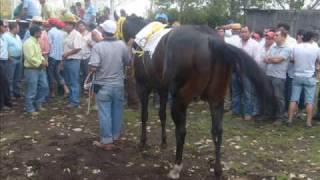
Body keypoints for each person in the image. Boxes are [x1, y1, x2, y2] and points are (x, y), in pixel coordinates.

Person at [89, 20, 130, 150]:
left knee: (105, 113)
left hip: (103, 86)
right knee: (117, 111)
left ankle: (107, 142)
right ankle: (115, 136)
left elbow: (93, 67)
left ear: (103, 31)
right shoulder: (122, 45)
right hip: (118, 85)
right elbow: (128, 62)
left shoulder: (98, 47)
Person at [288, 31, 320, 128]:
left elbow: (292, 60)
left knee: (293, 99)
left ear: (302, 37)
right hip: (309, 76)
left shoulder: (296, 47)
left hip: (297, 75)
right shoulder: (316, 49)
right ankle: (308, 122)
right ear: (311, 38)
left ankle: (289, 120)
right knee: (309, 101)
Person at [231, 26, 261, 120]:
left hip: (247, 73)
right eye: (241, 32)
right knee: (236, 92)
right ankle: (235, 111)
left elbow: (257, 60)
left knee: (248, 93)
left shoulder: (255, 44)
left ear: (250, 33)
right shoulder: (237, 43)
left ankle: (248, 113)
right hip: (235, 71)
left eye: (245, 32)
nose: (243, 34)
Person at [264, 30, 291, 123]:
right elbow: (265, 58)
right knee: (269, 95)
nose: (274, 37)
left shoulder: (287, 48)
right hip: (269, 74)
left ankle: (280, 117)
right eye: (275, 35)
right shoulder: (273, 47)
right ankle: (269, 115)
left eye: (277, 35)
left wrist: (271, 59)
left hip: (278, 76)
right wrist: (273, 58)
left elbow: (278, 60)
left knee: (278, 97)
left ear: (283, 37)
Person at [23, 25, 49, 115]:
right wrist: (41, 62)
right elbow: (30, 58)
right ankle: (30, 108)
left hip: (40, 68)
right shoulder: (28, 43)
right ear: (35, 33)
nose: (41, 33)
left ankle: (38, 103)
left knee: (44, 86)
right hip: (31, 69)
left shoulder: (36, 42)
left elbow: (39, 54)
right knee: (32, 89)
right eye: (40, 32)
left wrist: (43, 60)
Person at [62, 14, 83, 108]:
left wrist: (67, 54)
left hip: (73, 60)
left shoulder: (76, 34)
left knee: (74, 81)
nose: (65, 26)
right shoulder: (67, 34)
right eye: (65, 24)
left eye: (67, 24)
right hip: (67, 60)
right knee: (69, 81)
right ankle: (72, 99)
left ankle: (75, 101)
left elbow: (78, 48)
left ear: (72, 25)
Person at [47, 18, 69, 97]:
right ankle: (65, 88)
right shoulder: (61, 33)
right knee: (57, 73)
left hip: (52, 56)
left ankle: (52, 92)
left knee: (50, 74)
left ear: (50, 24)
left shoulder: (50, 32)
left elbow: (49, 44)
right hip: (59, 56)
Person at [2, 22, 23, 98]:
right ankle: (10, 95)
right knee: (10, 78)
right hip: (11, 59)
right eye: (18, 27)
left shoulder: (17, 36)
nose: (19, 29)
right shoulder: (6, 36)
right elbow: (4, 47)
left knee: (17, 77)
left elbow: (20, 46)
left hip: (19, 58)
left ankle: (16, 92)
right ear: (14, 28)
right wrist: (9, 57)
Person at [0, 19, 11, 110]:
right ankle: (2, 104)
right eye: (4, 26)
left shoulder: (3, 37)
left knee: (5, 82)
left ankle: (6, 101)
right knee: (3, 82)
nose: (6, 28)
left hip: (5, 61)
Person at [77, 21, 92, 91]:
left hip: (87, 56)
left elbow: (93, 45)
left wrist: (90, 44)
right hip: (78, 56)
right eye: (79, 26)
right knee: (79, 73)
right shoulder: (76, 34)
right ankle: (81, 89)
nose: (80, 27)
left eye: (82, 25)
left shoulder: (89, 34)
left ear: (85, 26)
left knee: (87, 73)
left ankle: (87, 89)